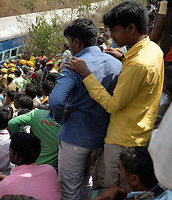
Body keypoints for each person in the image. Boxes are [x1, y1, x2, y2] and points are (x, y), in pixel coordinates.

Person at [66, 1, 164, 188]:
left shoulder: (138, 64)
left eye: (115, 30)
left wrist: (86, 74)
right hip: (139, 132)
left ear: (131, 28)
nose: (111, 35)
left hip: (122, 140)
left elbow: (113, 105)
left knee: (114, 188)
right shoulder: (153, 49)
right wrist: (123, 57)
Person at [48, 18, 122, 199]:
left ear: (76, 42)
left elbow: (56, 101)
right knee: (86, 176)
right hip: (103, 137)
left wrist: (60, 117)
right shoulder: (116, 63)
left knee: (69, 189)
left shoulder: (74, 65)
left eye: (69, 42)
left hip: (75, 137)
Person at [0, 132, 60, 200]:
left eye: (10, 150)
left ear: (16, 156)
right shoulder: (50, 170)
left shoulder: (6, 184)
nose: (9, 152)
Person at [95, 147, 172, 200]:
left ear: (134, 179)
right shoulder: (169, 190)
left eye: (120, 168)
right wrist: (120, 191)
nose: (117, 171)